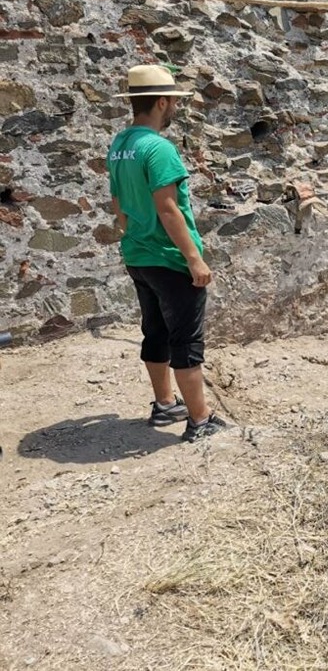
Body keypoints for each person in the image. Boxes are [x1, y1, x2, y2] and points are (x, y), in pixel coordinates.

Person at [107, 64, 226, 443]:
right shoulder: (158, 148)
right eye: (174, 101)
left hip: (138, 256)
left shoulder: (120, 145)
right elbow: (169, 209)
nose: (175, 107)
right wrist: (193, 257)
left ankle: (164, 404)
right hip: (168, 259)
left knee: (154, 330)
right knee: (186, 340)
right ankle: (200, 419)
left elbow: (117, 202)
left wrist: (132, 235)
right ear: (161, 102)